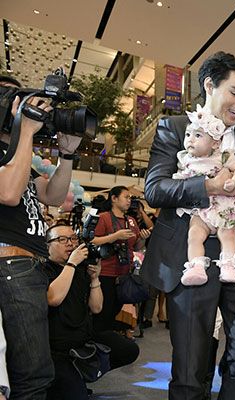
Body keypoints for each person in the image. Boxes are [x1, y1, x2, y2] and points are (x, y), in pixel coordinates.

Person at [142, 51, 235, 399]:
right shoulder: (174, 128)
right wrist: (207, 187)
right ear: (210, 86)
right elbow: (155, 189)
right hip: (192, 250)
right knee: (190, 370)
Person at [0, 75, 83, 399]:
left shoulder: (16, 156)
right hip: (11, 265)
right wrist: (25, 132)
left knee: (29, 372)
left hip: (27, 267)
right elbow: (9, 193)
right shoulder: (11, 153)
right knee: (32, 376)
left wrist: (67, 155)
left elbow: (53, 195)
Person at [42, 224, 139, 400]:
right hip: (57, 350)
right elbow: (54, 298)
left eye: (73, 238)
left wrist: (94, 279)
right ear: (47, 245)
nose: (70, 243)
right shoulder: (43, 269)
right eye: (62, 240)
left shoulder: (81, 269)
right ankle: (64, 382)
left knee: (128, 349)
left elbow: (96, 308)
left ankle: (80, 375)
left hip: (84, 338)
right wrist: (71, 263)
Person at [172, 105, 235, 285]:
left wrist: (234, 181)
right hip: (200, 208)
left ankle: (229, 265)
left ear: (215, 143)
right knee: (194, 234)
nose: (190, 140)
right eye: (188, 134)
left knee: (228, 234)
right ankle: (196, 267)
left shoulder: (222, 156)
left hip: (224, 206)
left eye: (198, 135)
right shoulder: (185, 158)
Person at [90, 186, 151, 333]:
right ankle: (99, 340)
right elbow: (92, 241)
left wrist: (143, 238)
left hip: (124, 274)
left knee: (114, 312)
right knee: (103, 313)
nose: (129, 200)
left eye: (130, 198)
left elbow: (135, 246)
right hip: (105, 273)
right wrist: (115, 236)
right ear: (114, 198)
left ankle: (107, 339)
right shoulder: (104, 217)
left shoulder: (131, 220)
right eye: (126, 197)